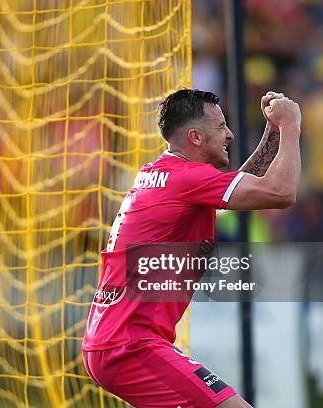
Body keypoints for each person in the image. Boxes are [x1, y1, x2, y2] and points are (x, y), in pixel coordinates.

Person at [82, 89, 301, 408]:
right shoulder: (187, 180)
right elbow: (280, 193)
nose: (229, 134)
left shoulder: (164, 174)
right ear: (196, 137)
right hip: (131, 346)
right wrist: (292, 126)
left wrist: (274, 132)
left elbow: (241, 188)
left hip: (114, 340)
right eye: (221, 126)